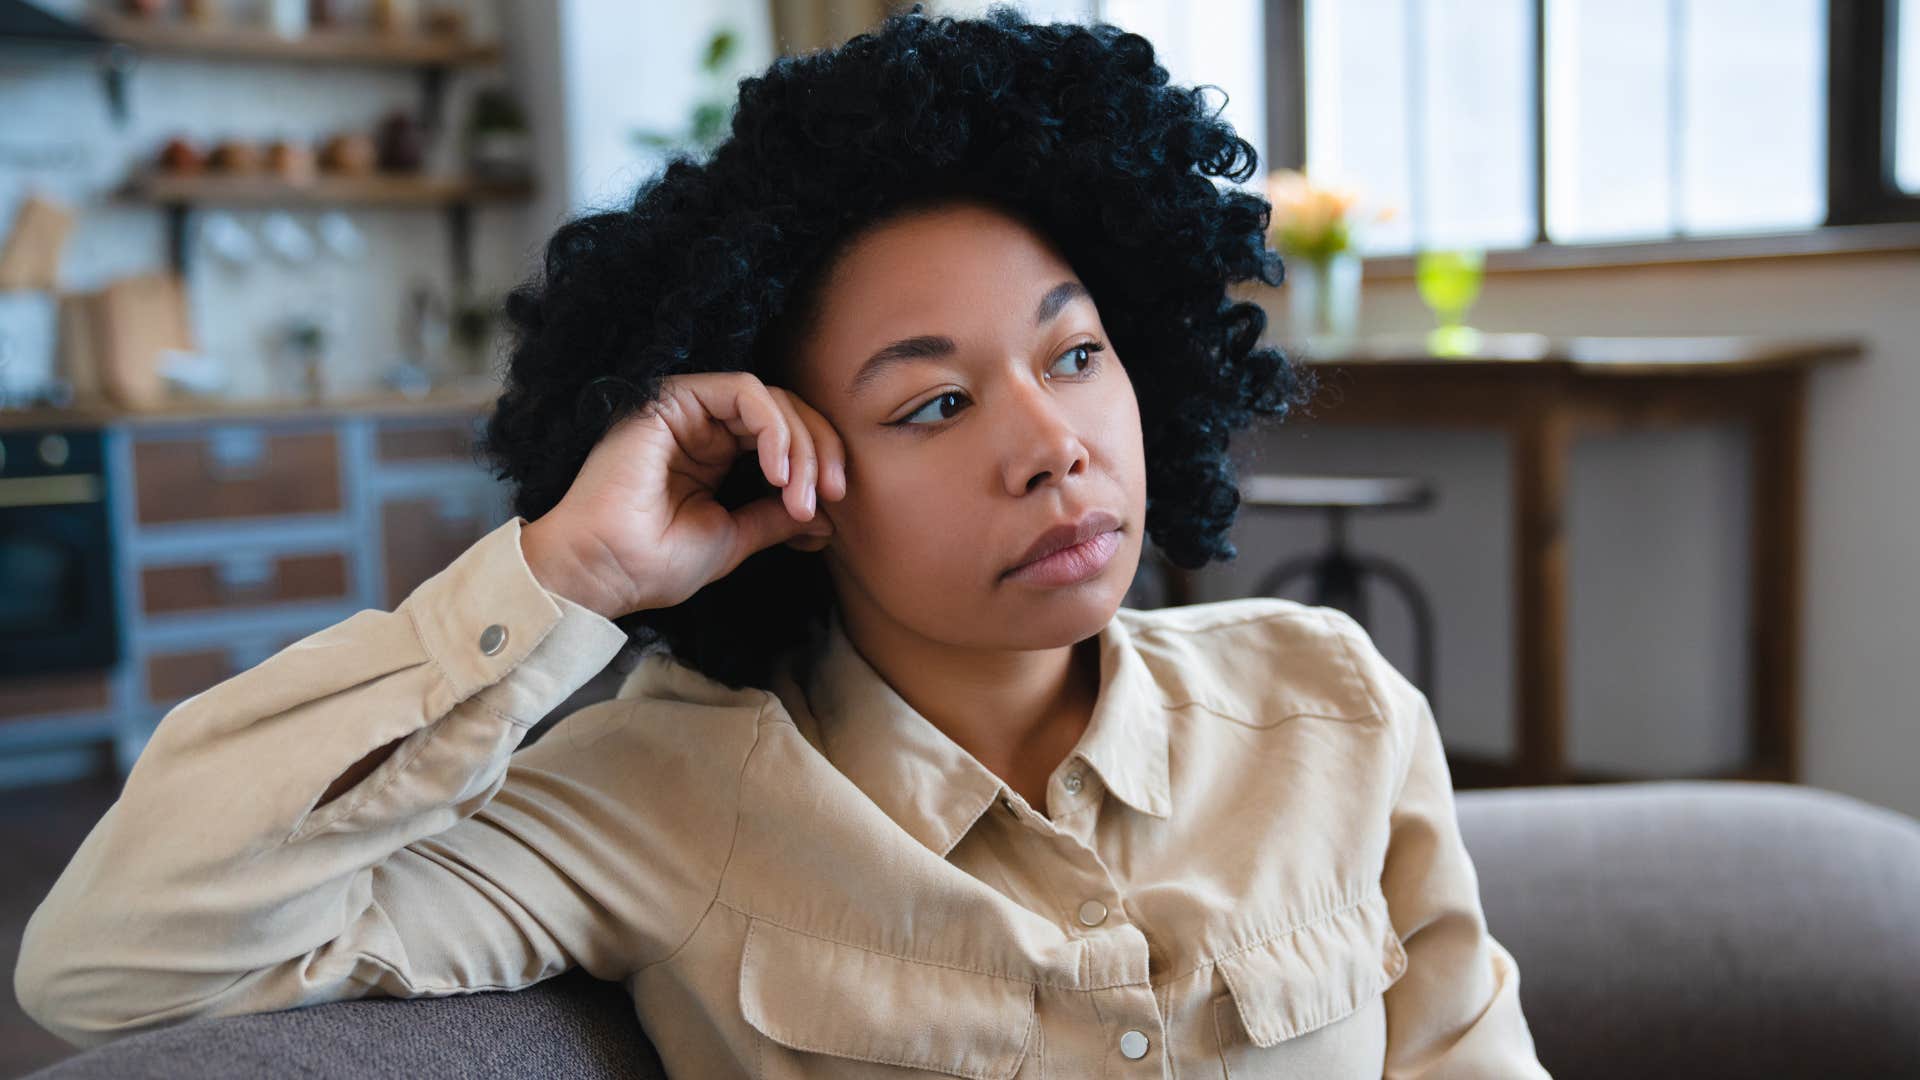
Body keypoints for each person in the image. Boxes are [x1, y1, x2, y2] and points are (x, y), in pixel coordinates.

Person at [15, 5, 1551, 1076]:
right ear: (790, 471)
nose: (1053, 444)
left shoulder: (1330, 704)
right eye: (935, 404)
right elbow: (113, 961)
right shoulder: (663, 794)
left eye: (1076, 354)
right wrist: (564, 575)